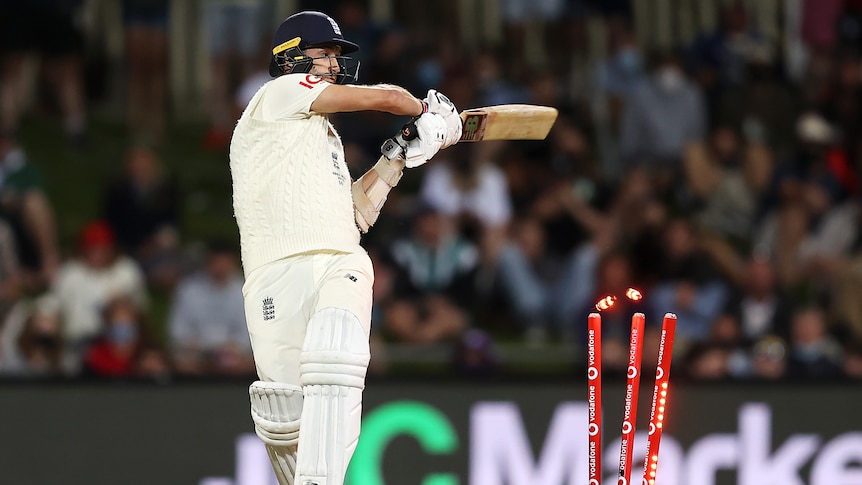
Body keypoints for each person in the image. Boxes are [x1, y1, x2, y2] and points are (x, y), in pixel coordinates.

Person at [228, 11, 461, 485]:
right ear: (292, 56)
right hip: (271, 276)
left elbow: (351, 217)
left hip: (336, 261)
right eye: (326, 53)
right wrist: (425, 112)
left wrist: (397, 155)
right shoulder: (277, 95)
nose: (335, 64)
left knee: (335, 352)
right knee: (283, 419)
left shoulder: (320, 138)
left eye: (336, 56)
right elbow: (389, 98)